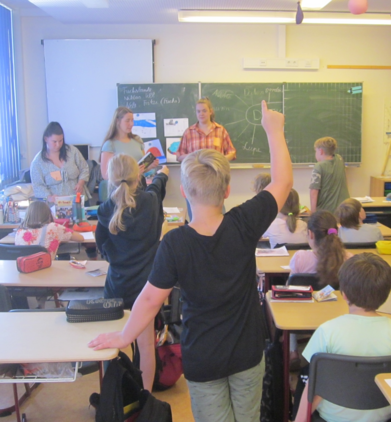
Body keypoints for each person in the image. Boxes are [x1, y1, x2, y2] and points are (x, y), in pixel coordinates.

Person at [89, 101, 293, 422]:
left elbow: (150, 299)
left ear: (183, 191)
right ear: (227, 190)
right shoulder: (244, 223)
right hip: (247, 355)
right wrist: (274, 131)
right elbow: (282, 182)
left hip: (203, 359)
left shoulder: (174, 243)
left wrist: (125, 336)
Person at [296, 253, 391, 422]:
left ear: (343, 293)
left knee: (309, 376)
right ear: (386, 294)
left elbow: (314, 387)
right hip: (385, 414)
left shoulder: (326, 331)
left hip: (333, 416)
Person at [95, 153, 169, 391]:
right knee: (146, 346)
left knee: (112, 345)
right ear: (138, 175)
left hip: (117, 286)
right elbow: (157, 188)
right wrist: (161, 175)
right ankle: (145, 398)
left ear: (109, 178)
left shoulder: (106, 209)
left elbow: (101, 243)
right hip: (145, 289)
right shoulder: (149, 202)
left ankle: (114, 397)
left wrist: (115, 258)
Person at [176, 98, 237, 221]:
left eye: (204, 110)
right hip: (194, 181)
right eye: (198, 111)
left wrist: (219, 160)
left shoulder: (220, 130)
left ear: (211, 112)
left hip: (215, 179)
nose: (201, 114)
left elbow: (232, 152)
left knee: (219, 217)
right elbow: (179, 155)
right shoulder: (189, 132)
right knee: (196, 219)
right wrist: (192, 158)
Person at [289, 210, 353, 289]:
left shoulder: (299, 258)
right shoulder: (349, 259)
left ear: (311, 234)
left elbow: (290, 287)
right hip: (339, 300)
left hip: (306, 300)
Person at [30, 122, 90, 203]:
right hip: (55, 206)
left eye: (60, 141)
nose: (58, 145)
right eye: (54, 141)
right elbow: (38, 186)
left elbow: (84, 168)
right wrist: (49, 197)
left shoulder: (72, 151)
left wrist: (80, 183)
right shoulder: (38, 162)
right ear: (46, 139)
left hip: (78, 201)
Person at [100, 107, 160, 181]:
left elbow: (141, 169)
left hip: (140, 186)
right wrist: (132, 174)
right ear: (117, 121)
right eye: (127, 121)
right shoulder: (110, 144)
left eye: (132, 120)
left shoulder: (137, 140)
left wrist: (150, 166)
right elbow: (106, 175)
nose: (131, 124)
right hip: (122, 189)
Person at [15, 201, 84, 259]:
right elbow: (80, 238)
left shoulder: (19, 231)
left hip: (25, 270)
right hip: (45, 269)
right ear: (48, 214)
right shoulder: (53, 227)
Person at [309, 137, 350, 214]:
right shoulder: (339, 159)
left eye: (316, 151)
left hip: (327, 212)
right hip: (345, 210)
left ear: (320, 151)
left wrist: (313, 213)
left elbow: (314, 191)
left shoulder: (319, 166)